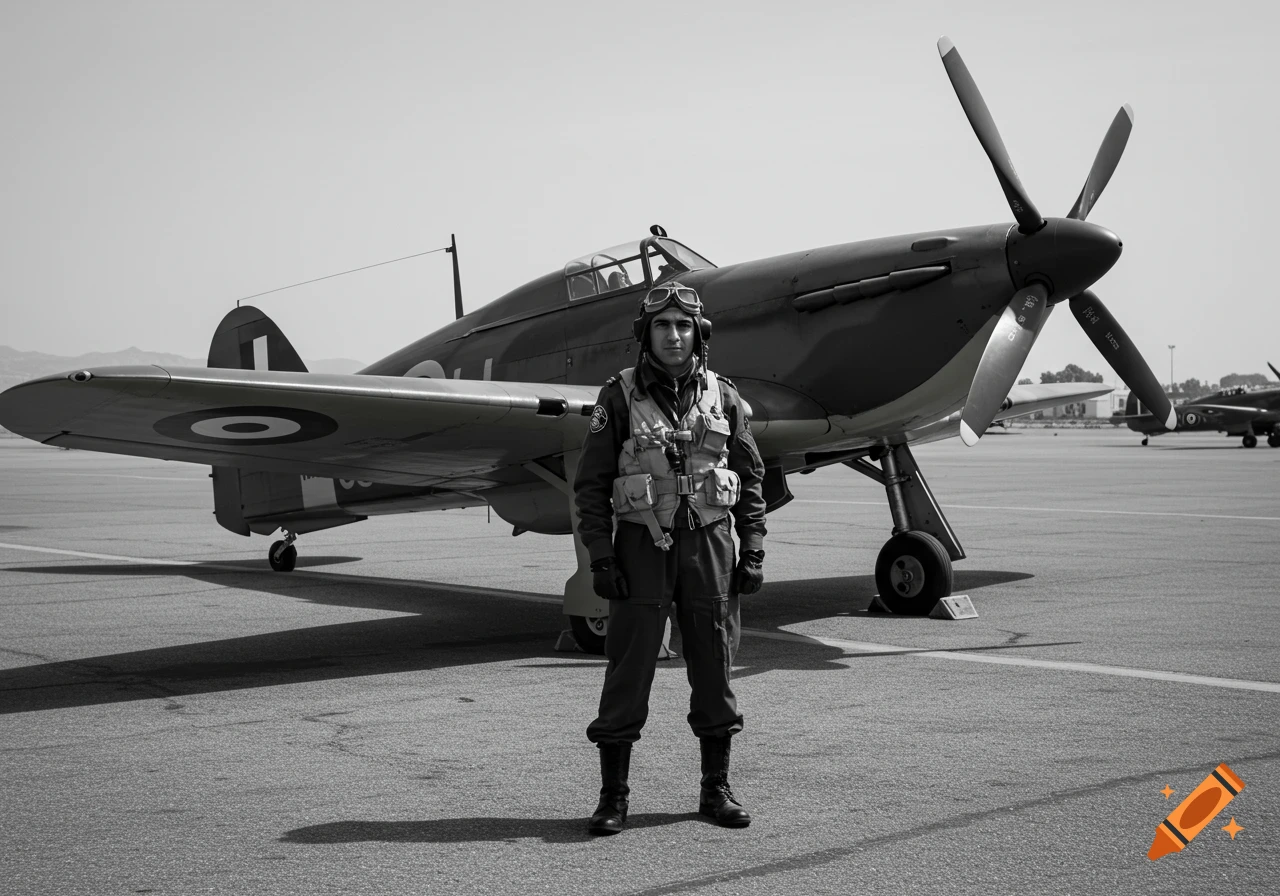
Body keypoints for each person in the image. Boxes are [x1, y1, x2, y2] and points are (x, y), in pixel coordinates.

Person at [573, 281, 767, 835]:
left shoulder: (723, 395)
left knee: (715, 669)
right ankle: (613, 797)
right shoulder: (618, 397)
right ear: (646, 334)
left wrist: (752, 547)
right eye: (663, 326)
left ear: (698, 333)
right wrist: (601, 559)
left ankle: (716, 791)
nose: (674, 336)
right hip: (641, 548)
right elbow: (590, 487)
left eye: (684, 326)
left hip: (709, 545)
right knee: (628, 671)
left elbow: (751, 477)